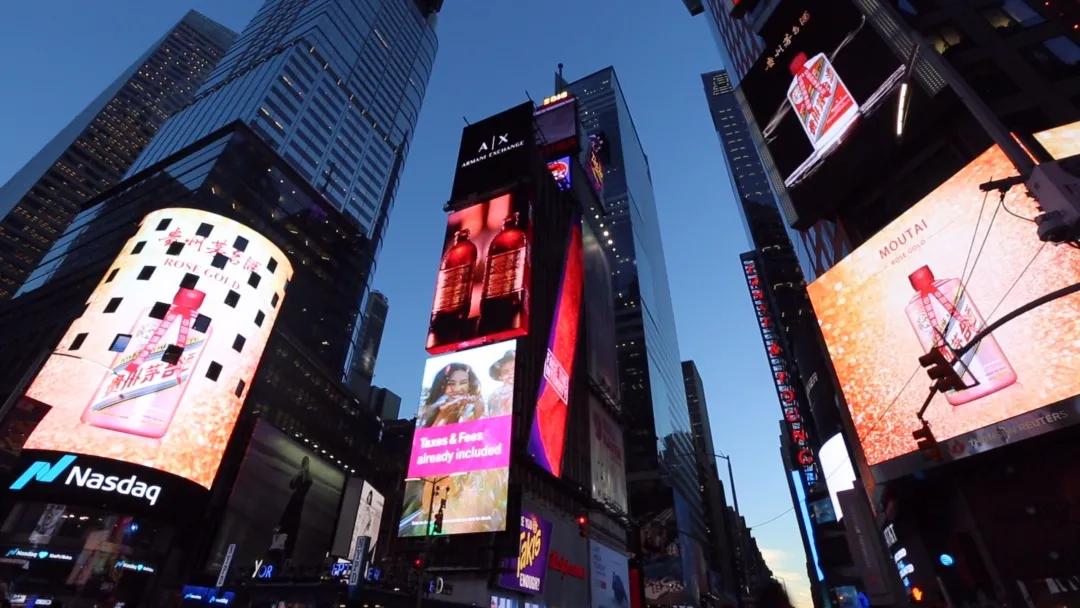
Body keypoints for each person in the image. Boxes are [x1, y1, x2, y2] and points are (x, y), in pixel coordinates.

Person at [420, 363, 483, 427]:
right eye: (451, 383)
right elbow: (427, 436)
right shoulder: (429, 411)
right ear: (440, 387)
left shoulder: (473, 408)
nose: (457, 389)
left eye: (463, 383)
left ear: (470, 386)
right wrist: (442, 415)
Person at [276, 456, 313, 559]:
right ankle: (280, 543)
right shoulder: (301, 475)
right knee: (287, 520)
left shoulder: (308, 477)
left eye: (305, 464)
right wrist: (297, 474)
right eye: (303, 463)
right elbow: (292, 486)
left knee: (292, 523)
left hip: (298, 501)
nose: (303, 465)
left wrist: (302, 474)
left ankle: (287, 547)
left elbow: (304, 488)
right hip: (295, 499)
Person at [485, 350, 515, 417]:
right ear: (500, 376)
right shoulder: (495, 395)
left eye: (514, 368)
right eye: (506, 371)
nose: (511, 373)